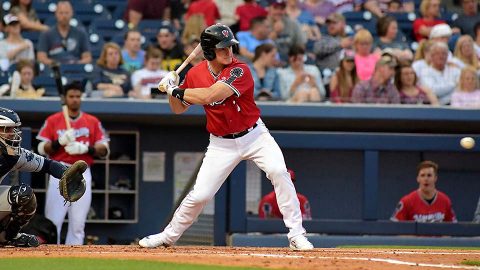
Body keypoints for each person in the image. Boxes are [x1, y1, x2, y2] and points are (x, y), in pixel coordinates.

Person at [139, 24, 314, 251]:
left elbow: (212, 94)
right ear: (210, 51)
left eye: (230, 47)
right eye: (222, 48)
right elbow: (178, 108)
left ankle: (296, 235)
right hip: (221, 143)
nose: (229, 52)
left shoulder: (240, 69)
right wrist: (172, 84)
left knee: (279, 172)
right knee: (201, 194)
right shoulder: (195, 74)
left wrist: (175, 90)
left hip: (254, 136)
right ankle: (167, 236)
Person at [0, 107, 87, 247]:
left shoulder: (12, 155)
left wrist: (66, 173)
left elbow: (47, 164)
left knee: (23, 195)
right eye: (6, 129)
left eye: (13, 129)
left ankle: (7, 237)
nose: (12, 134)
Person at [37, 81, 109, 245]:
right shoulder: (54, 120)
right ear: (65, 98)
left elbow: (104, 149)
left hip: (82, 172)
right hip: (59, 171)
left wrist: (86, 148)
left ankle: (74, 258)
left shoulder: (91, 121)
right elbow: (42, 148)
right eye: (71, 96)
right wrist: (58, 142)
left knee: (78, 224)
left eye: (78, 96)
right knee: (53, 221)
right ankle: (50, 257)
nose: (75, 99)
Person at [391, 160, 457, 222]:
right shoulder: (407, 201)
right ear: (418, 178)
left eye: (429, 175)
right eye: (422, 175)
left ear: (435, 178)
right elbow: (395, 228)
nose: (426, 179)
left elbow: (453, 229)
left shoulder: (445, 201)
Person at [36, 0, 92, 65]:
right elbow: (41, 58)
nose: (64, 16)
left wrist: (76, 63)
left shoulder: (81, 33)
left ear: (72, 13)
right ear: (56, 14)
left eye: (66, 13)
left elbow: (87, 57)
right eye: (61, 13)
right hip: (53, 70)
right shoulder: (46, 34)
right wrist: (56, 63)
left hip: (76, 71)